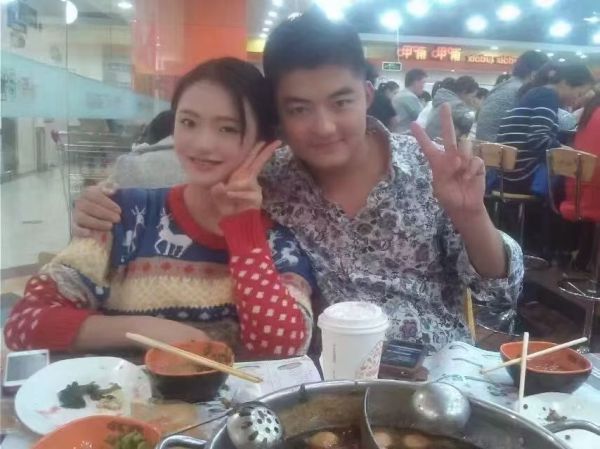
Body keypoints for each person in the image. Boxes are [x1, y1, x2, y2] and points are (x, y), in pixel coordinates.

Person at [70, 10, 523, 352]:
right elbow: (189, 187)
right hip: (324, 375)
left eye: (340, 102)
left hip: (436, 371)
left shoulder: (427, 167)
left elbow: (498, 293)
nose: (323, 126)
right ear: (278, 116)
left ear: (367, 95)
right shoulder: (262, 180)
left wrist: (470, 214)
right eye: (299, 108)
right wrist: (105, 207)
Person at [4, 58, 316, 357]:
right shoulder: (126, 215)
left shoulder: (279, 241)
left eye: (228, 129)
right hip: (119, 392)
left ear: (265, 143)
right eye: (188, 122)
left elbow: (281, 349)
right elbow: (24, 324)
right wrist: (143, 329)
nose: (202, 143)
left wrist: (244, 232)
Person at [496, 62, 595, 196]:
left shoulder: (535, 93)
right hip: (524, 176)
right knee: (576, 175)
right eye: (579, 94)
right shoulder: (547, 97)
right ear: (565, 83)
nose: (579, 100)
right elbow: (538, 139)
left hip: (507, 175)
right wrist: (568, 150)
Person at [476, 51, 549, 142]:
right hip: (502, 147)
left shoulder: (501, 87)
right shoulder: (523, 91)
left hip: (483, 146)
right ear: (534, 74)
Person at [426, 76, 479, 140]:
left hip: (431, 140)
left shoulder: (444, 99)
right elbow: (469, 120)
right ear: (464, 92)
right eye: (472, 96)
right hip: (439, 142)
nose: (472, 100)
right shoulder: (456, 104)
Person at [392, 68, 427, 133]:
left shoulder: (400, 94)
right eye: (423, 83)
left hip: (397, 132)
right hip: (404, 134)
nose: (423, 87)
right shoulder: (409, 97)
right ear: (416, 82)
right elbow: (423, 119)